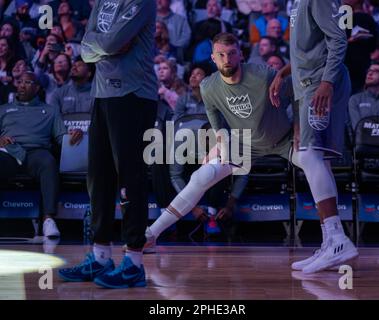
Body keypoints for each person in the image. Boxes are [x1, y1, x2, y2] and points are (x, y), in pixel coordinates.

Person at [144, 31, 293, 258]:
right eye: (221, 54)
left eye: (232, 53)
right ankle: (151, 235)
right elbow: (218, 127)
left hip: (282, 136)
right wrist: (219, 148)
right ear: (213, 58)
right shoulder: (209, 86)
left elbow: (297, 92)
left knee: (314, 162)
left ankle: (333, 238)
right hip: (243, 140)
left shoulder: (262, 75)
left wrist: (301, 127)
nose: (226, 59)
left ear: (241, 55)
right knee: (201, 176)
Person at [58, 0, 158, 289]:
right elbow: (85, 48)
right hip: (102, 96)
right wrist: (101, 46)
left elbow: (110, 40)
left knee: (130, 177)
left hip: (134, 94)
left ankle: (134, 262)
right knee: (98, 178)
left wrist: (99, 45)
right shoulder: (102, 1)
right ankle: (100, 256)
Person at [269, 0, 358, 273]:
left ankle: (337, 239)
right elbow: (307, 48)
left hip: (320, 84)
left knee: (308, 155)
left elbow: (338, 40)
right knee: (314, 158)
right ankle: (331, 241)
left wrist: (327, 83)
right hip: (307, 83)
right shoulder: (294, 2)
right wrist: (283, 73)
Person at [0, 71, 79, 238]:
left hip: (36, 153)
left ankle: (48, 220)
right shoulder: (4, 109)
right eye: (20, 81)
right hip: (9, 152)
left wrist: (73, 136)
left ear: (37, 88)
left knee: (49, 162)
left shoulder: (50, 111)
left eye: (27, 82)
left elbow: (61, 137)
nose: (22, 85)